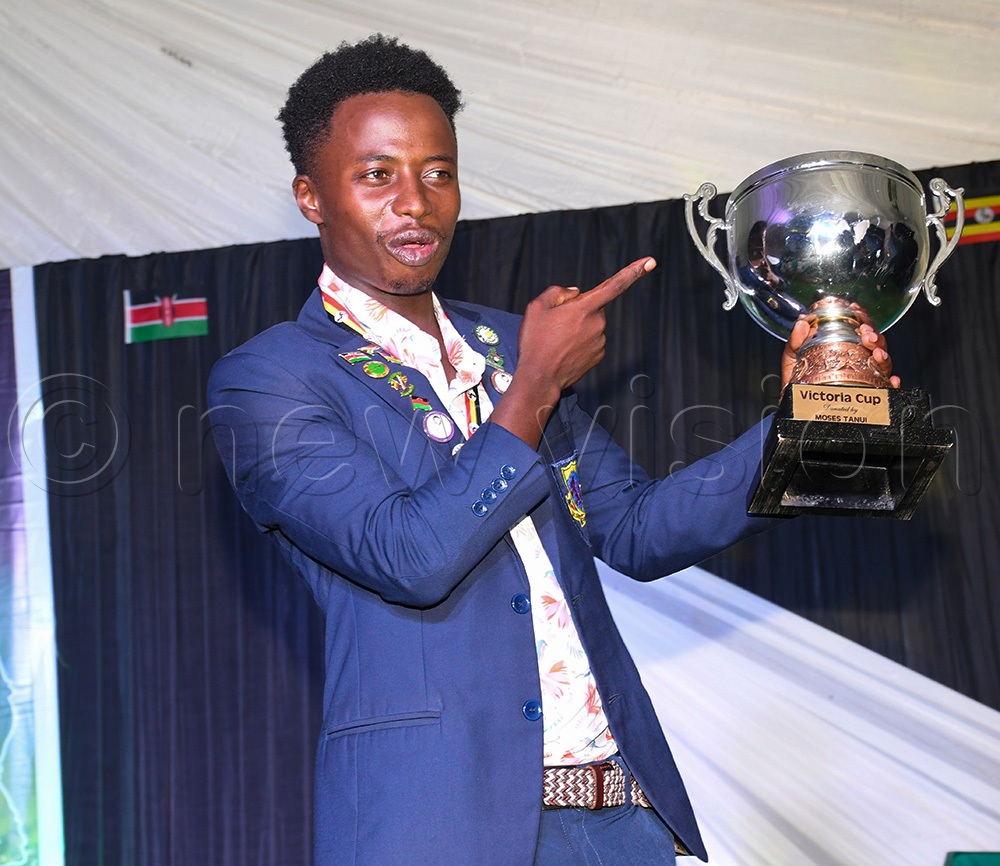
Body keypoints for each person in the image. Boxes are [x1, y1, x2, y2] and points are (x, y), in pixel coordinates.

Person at [208, 34, 895, 866]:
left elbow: (639, 532)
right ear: (312, 197)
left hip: (617, 818)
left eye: (438, 171)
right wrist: (533, 386)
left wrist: (813, 413)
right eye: (377, 174)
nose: (416, 202)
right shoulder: (267, 378)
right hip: (439, 830)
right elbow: (409, 556)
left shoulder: (504, 343)